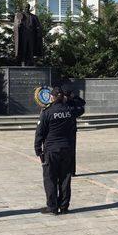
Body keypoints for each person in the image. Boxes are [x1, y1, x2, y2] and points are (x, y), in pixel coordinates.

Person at [35, 86, 85, 215]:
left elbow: (39, 133)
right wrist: (72, 98)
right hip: (67, 149)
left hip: (51, 150)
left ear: (51, 97)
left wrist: (37, 149)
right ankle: (63, 206)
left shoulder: (47, 112)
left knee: (50, 179)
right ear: (62, 97)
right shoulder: (70, 110)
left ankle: (52, 207)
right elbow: (81, 107)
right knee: (65, 179)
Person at [64, 85, 86, 176]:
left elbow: (82, 103)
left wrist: (73, 98)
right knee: (69, 151)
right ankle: (68, 171)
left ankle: (71, 171)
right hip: (67, 130)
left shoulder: (71, 102)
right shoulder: (62, 103)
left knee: (70, 151)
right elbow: (81, 108)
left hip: (69, 130)